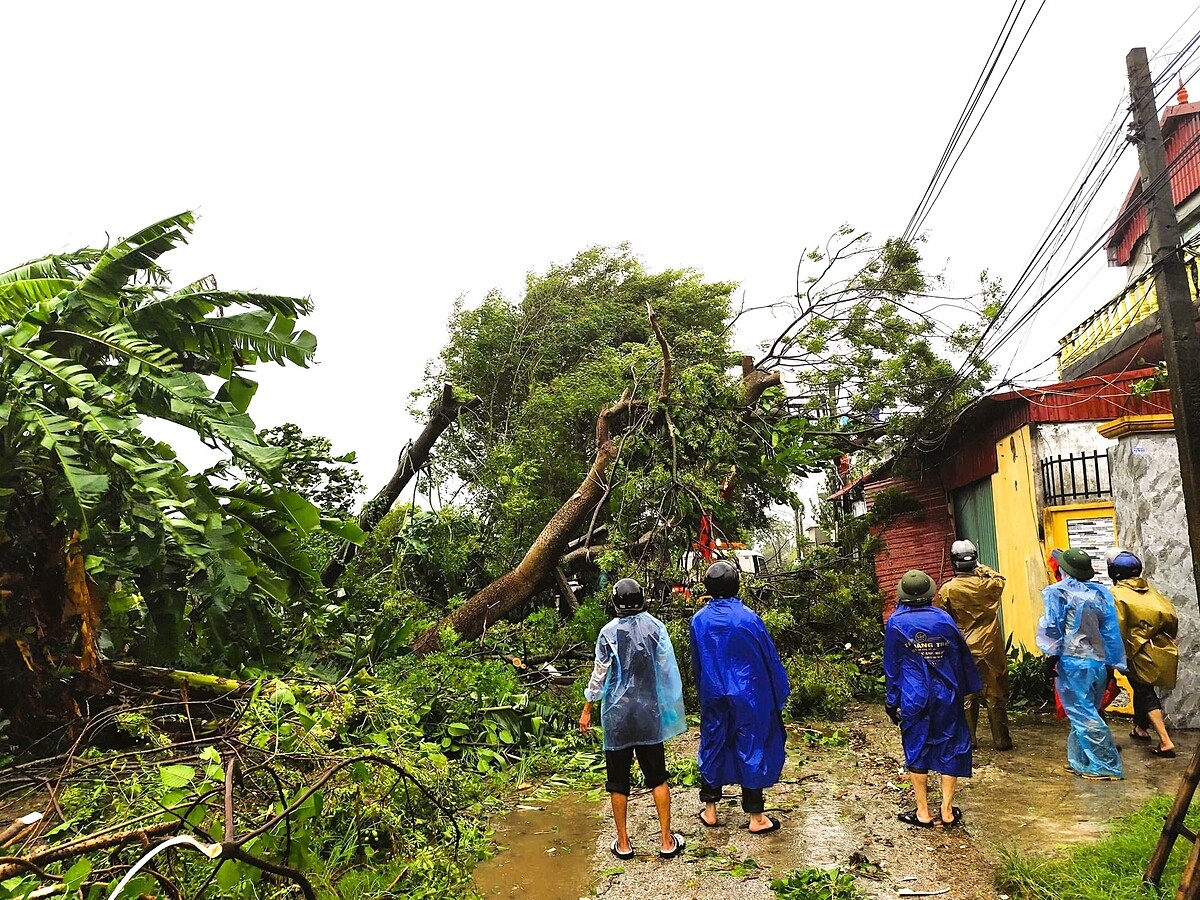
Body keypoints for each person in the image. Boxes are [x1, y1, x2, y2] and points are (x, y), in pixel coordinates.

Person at [580, 577, 687, 860]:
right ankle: (666, 840)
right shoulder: (656, 628)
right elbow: (667, 672)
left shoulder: (607, 633)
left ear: (615, 602)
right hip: (648, 713)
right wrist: (670, 707)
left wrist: (587, 708)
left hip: (617, 716)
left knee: (617, 780)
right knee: (657, 777)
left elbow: (599, 675)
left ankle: (624, 843)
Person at [689, 560, 790, 834]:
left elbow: (698, 661)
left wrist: (704, 692)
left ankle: (710, 810)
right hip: (748, 693)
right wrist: (777, 692)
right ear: (736, 584)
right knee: (752, 745)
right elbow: (769, 658)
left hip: (713, 692)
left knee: (713, 742)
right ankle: (756, 816)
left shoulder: (698, 620)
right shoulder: (749, 618)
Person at [884, 569, 982, 828]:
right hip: (947, 693)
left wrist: (892, 700)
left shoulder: (895, 623)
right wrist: (967, 688)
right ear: (930, 593)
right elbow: (961, 657)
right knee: (952, 744)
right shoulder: (944, 620)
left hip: (914, 695)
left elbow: (893, 667)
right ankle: (947, 811)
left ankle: (923, 812)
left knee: (917, 747)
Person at [1036, 547, 1127, 780]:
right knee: (1085, 713)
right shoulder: (1100, 593)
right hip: (1097, 663)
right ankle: (1079, 760)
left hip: (1073, 662)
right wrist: (1112, 662)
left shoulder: (1058, 593)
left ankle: (1106, 766)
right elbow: (1110, 631)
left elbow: (1052, 627)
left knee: (1083, 715)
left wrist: (1051, 656)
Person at [937, 540, 1013, 751]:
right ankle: (1002, 740)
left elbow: (943, 619)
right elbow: (999, 578)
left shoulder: (948, 589)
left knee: (967, 694)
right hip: (990, 644)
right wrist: (981, 567)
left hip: (964, 645)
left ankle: (968, 740)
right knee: (994, 693)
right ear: (975, 560)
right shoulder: (989, 584)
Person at [1108, 548, 1179, 759]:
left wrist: (1114, 656)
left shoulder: (1116, 595)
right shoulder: (1151, 591)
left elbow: (1117, 629)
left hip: (1136, 652)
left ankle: (1165, 742)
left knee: (1144, 691)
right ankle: (1140, 728)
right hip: (1158, 650)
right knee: (1142, 687)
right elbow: (1171, 617)